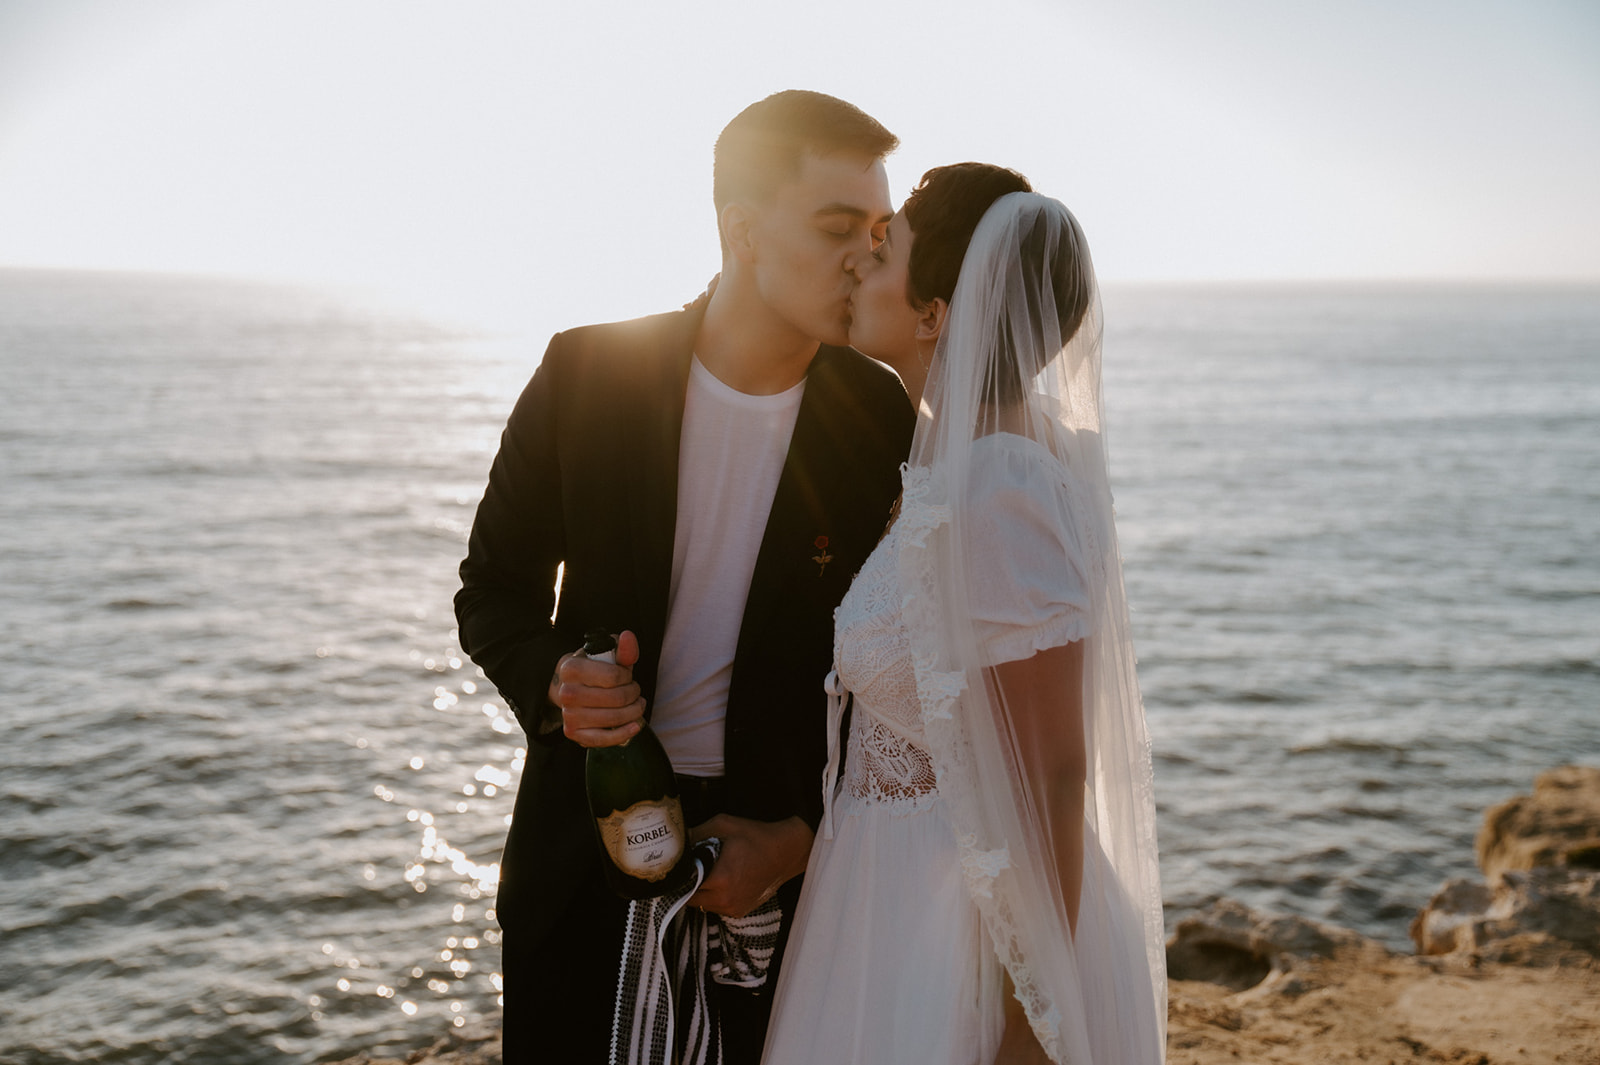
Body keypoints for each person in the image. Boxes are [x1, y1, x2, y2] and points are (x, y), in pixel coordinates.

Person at [454, 91, 915, 1064]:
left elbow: (902, 683)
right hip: (579, 869)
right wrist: (556, 683)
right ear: (742, 230)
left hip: (786, 884)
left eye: (878, 231)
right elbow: (491, 591)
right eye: (835, 228)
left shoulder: (880, 419)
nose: (865, 257)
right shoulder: (586, 373)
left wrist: (796, 842)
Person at [761, 165, 1167, 1064]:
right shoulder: (970, 464)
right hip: (890, 902)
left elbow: (1055, 773)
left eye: (883, 252)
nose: (860, 269)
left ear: (935, 311)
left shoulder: (1000, 483)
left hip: (959, 933)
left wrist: (1035, 1020)